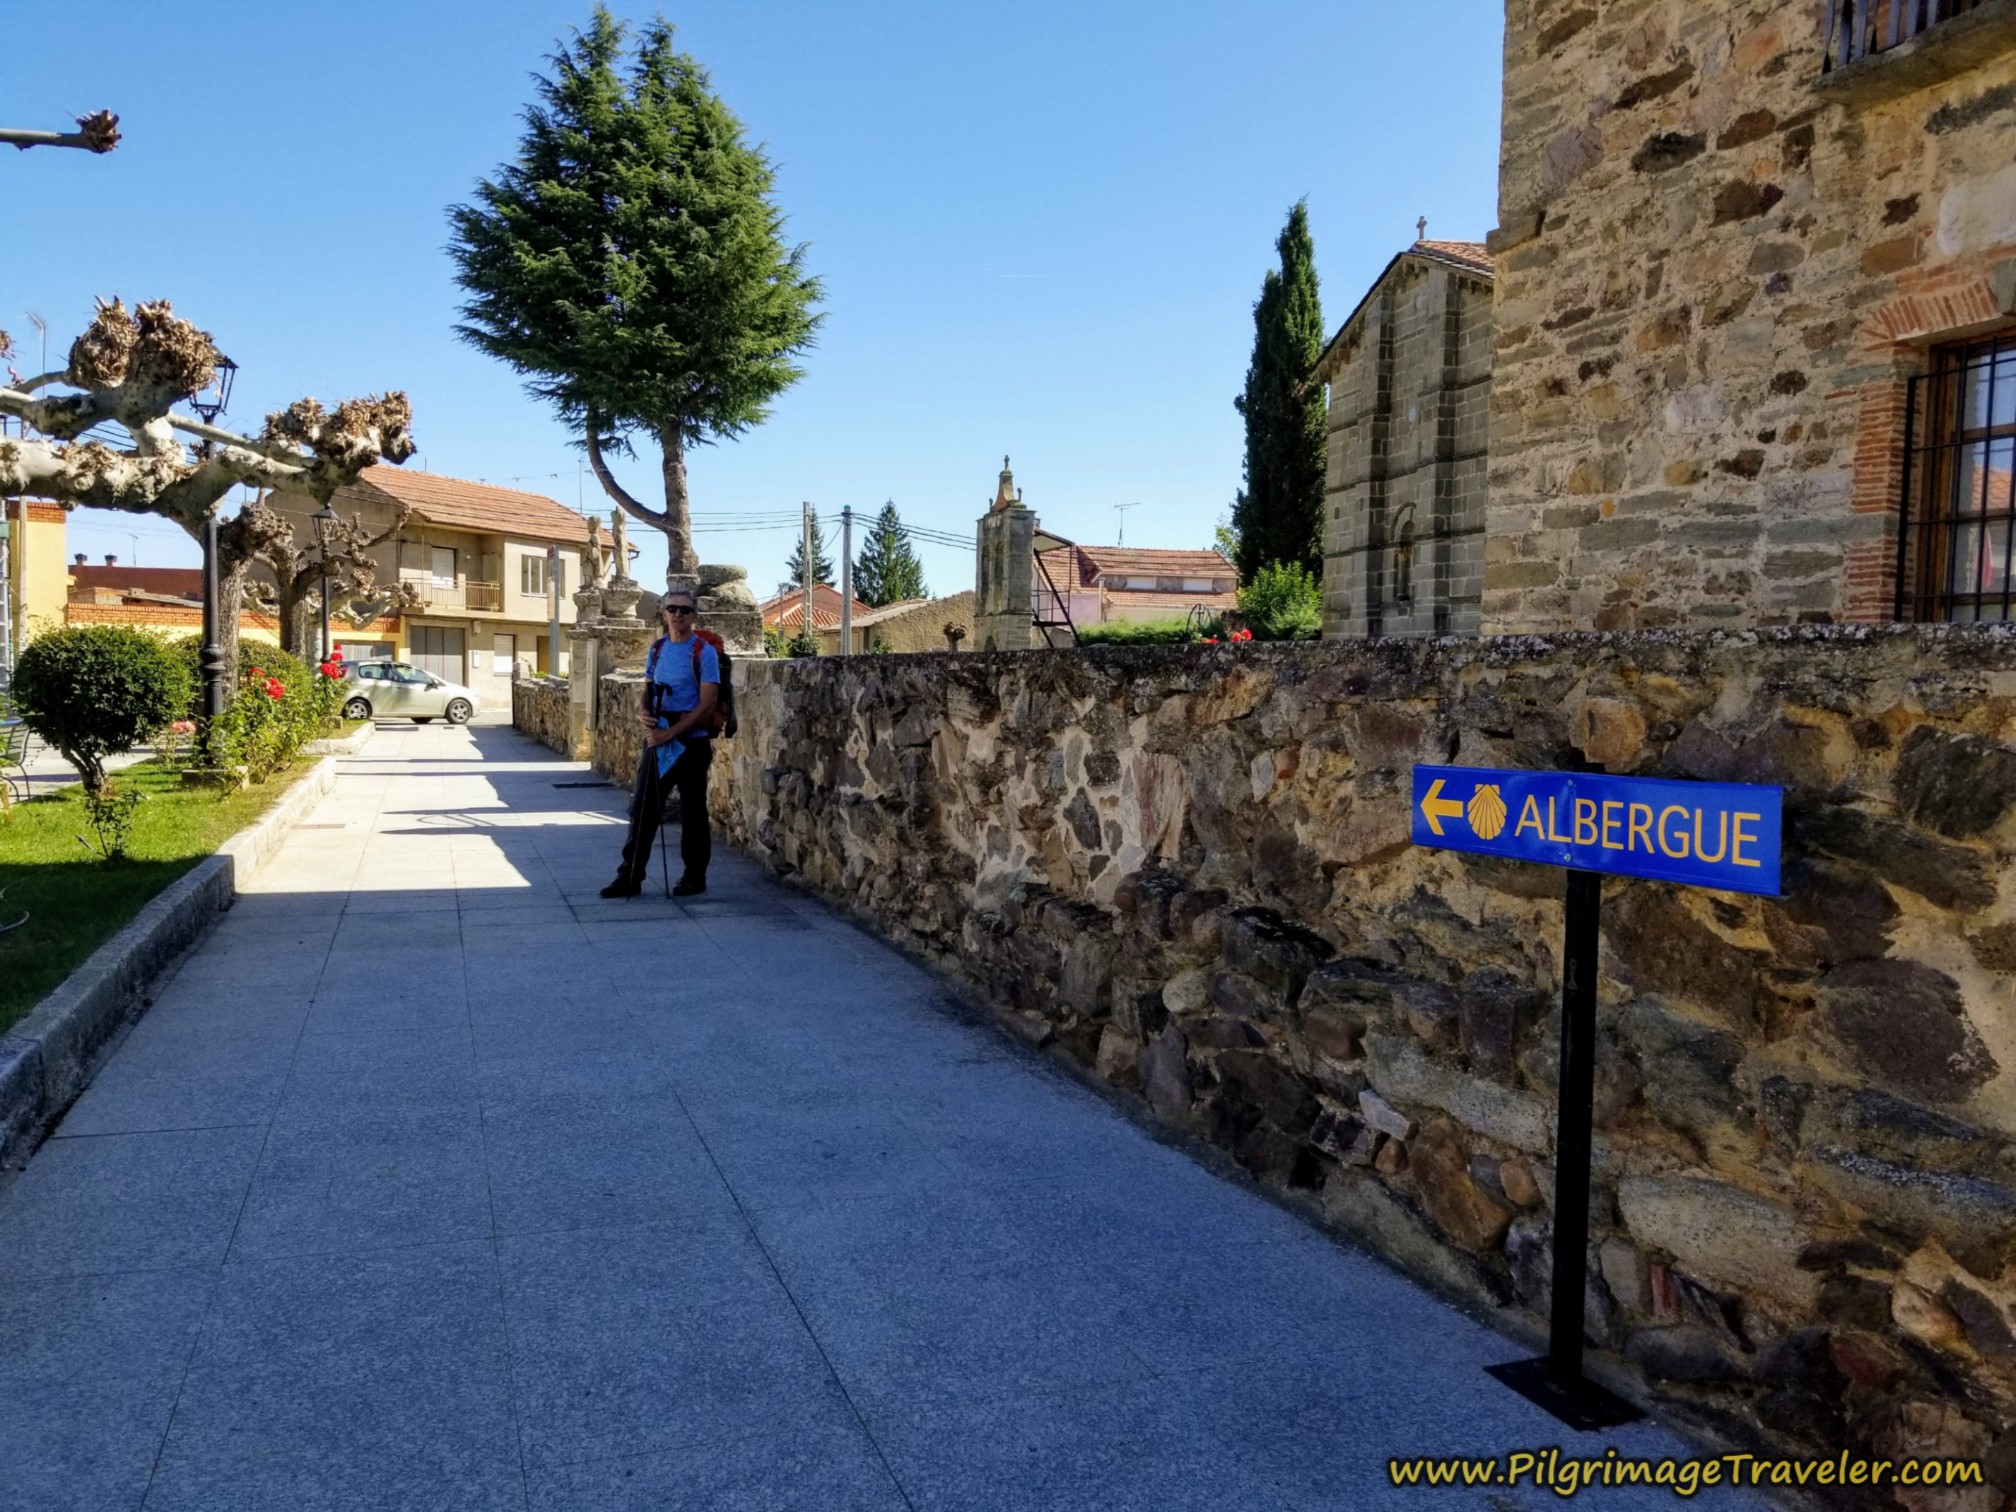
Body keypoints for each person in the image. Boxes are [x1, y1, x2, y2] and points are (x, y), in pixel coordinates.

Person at [602, 589, 718, 897]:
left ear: (693, 616)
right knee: (643, 809)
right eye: (672, 608)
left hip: (692, 745)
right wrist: (644, 710)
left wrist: (671, 732)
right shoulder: (657, 649)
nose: (678, 614)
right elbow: (649, 688)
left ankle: (694, 877)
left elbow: (707, 705)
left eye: (684, 609)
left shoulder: (704, 652)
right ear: (664, 614)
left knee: (693, 812)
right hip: (659, 741)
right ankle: (629, 877)